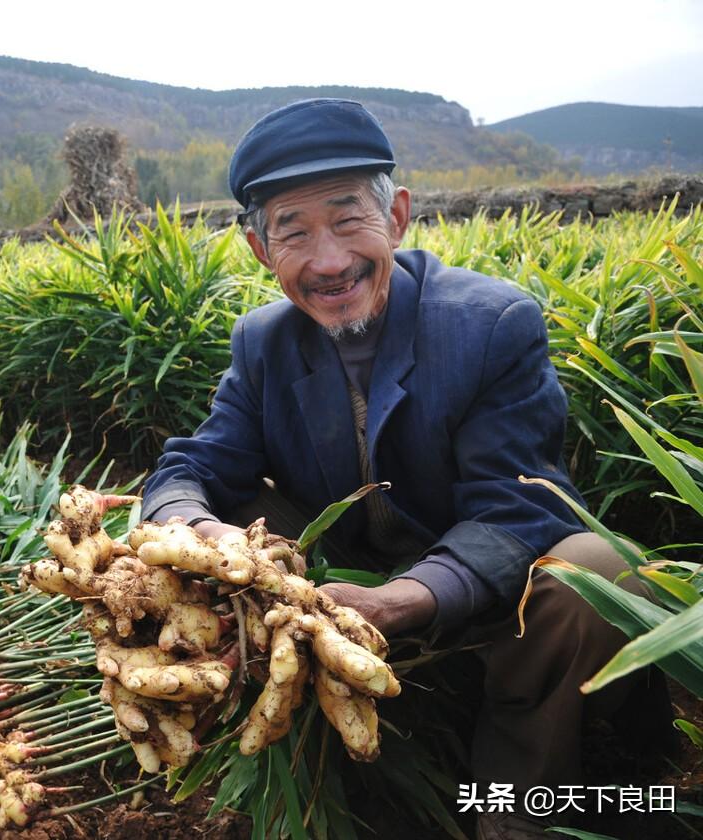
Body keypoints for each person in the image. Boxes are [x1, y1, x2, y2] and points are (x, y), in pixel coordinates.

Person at [140, 98, 663, 840]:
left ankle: (517, 805)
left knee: (598, 568)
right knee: (214, 516)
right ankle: (327, 751)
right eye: (294, 231)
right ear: (260, 250)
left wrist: (400, 601)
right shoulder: (263, 342)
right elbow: (194, 465)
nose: (329, 261)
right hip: (342, 587)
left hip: (485, 597)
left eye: (348, 218)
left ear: (397, 217)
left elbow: (518, 506)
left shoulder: (490, 323)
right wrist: (196, 532)